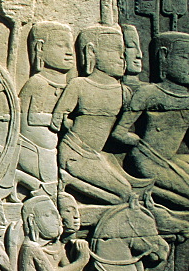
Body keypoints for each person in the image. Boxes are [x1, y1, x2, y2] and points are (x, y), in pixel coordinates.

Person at [112, 32, 189, 210]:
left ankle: (142, 191)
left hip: (166, 161)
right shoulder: (148, 93)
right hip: (145, 159)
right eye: (186, 58)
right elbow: (119, 132)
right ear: (164, 56)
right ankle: (137, 192)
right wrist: (136, 141)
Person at [50, 24, 146, 204]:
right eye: (115, 51)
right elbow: (58, 119)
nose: (122, 58)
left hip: (99, 155)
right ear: (91, 52)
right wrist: (70, 124)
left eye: (123, 52)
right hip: (75, 152)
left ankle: (71, 180)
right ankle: (70, 181)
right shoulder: (79, 85)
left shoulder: (124, 92)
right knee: (125, 194)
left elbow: (121, 131)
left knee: (133, 190)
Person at [17, 22, 74, 197]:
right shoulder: (38, 83)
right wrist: (56, 119)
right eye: (60, 45)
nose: (69, 51)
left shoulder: (67, 84)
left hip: (52, 148)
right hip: (36, 150)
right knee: (50, 188)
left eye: (70, 45)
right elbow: (30, 118)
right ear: (40, 48)